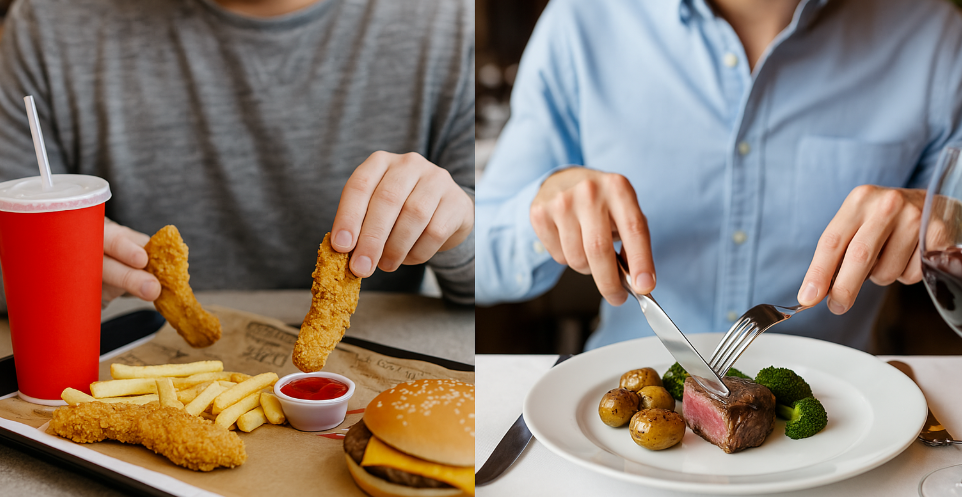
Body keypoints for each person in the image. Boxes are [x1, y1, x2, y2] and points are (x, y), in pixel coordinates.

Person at [476, 0, 962, 352]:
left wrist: (947, 224)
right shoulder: (581, 20)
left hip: (839, 431)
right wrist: (543, 211)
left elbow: (953, 230)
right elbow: (478, 260)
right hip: (618, 430)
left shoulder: (934, 38)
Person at [0, 0, 475, 307]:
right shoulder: (48, 25)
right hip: (121, 352)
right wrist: (36, 264)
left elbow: (493, 280)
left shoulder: (448, 24)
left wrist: (461, 228)